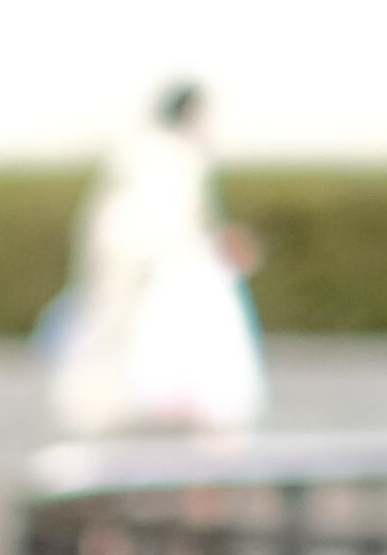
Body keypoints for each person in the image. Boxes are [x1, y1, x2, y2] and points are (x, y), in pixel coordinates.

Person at [45, 79, 268, 438]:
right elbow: (157, 214)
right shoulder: (160, 155)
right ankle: (106, 402)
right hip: (138, 256)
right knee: (113, 326)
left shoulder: (163, 153)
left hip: (155, 259)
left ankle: (146, 399)